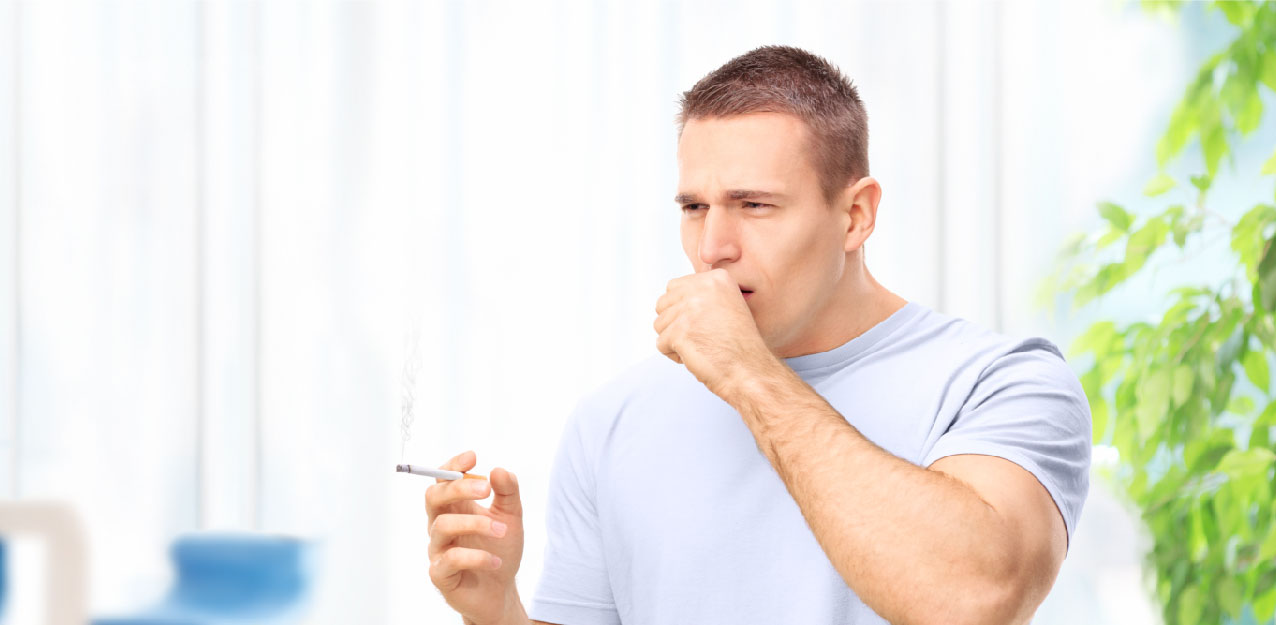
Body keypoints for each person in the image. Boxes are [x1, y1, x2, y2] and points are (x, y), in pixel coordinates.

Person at [424, 45, 1091, 625]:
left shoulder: (1000, 384)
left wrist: (746, 372)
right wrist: (498, 610)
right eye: (694, 208)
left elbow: (972, 599)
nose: (713, 246)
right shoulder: (610, 421)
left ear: (856, 216)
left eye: (754, 205)